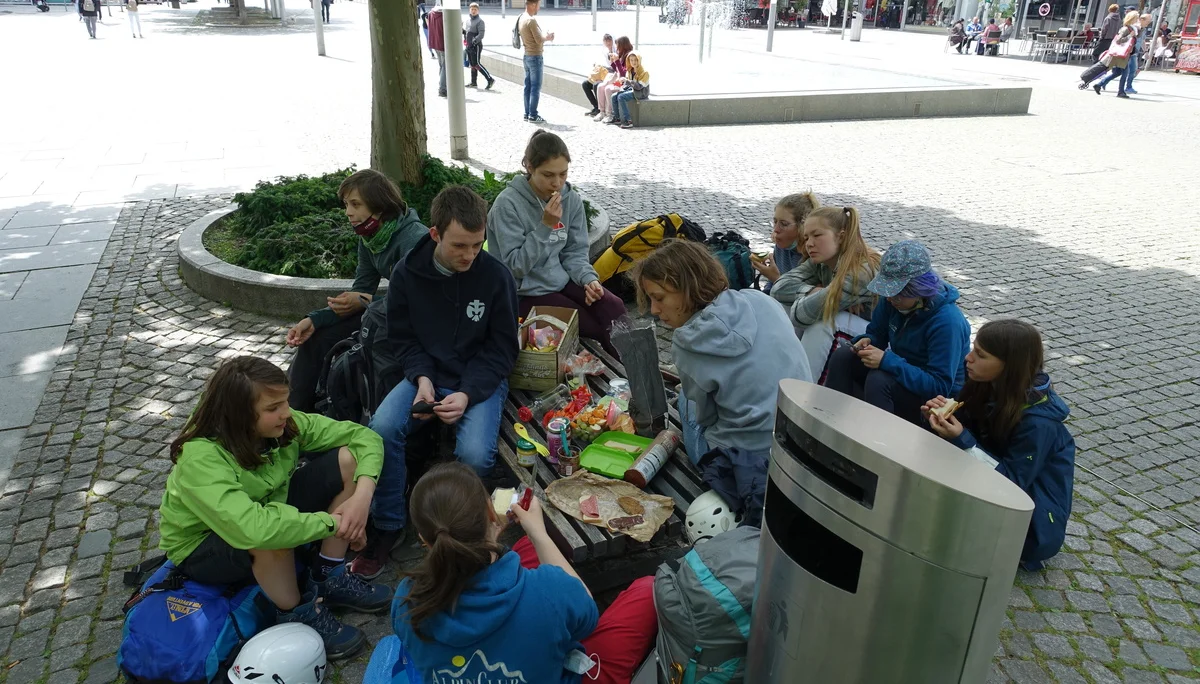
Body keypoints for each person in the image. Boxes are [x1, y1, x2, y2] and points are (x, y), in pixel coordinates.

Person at [158, 356, 392, 659]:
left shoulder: (282, 423)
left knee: (350, 459)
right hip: (203, 545)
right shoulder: (200, 457)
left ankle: (327, 575)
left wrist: (361, 499)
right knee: (270, 533)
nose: (286, 413)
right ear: (240, 415)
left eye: (285, 402)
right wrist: (338, 524)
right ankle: (295, 613)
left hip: (267, 511)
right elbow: (255, 527)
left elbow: (364, 437)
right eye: (273, 408)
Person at [358, 186, 519, 579]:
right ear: (435, 235)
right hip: (427, 376)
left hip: (477, 381)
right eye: (459, 246)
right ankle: (390, 523)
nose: (470, 255)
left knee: (477, 456)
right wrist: (423, 379)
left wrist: (466, 393)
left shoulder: (495, 276)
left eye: (477, 245)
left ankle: (465, 532)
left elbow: (502, 350)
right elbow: (403, 338)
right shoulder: (407, 274)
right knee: (380, 429)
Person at [392, 463, 658, 684]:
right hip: (556, 636)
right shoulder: (547, 591)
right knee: (649, 590)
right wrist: (538, 532)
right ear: (490, 511)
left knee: (527, 552)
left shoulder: (406, 598)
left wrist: (488, 537)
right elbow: (587, 611)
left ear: (425, 541)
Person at [632, 239, 810, 464]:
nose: (655, 310)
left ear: (689, 287)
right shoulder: (758, 298)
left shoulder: (688, 343)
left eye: (659, 298)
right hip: (798, 445)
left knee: (688, 399)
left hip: (738, 462)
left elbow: (705, 417)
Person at [923, 320, 1075, 571]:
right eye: (974, 349)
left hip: (1033, 530)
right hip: (987, 491)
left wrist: (962, 438)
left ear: (1009, 365)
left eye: (980, 355)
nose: (968, 358)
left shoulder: (1039, 424)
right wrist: (938, 417)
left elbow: (1011, 483)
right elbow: (971, 432)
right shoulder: (984, 383)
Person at [285, 170, 427, 413]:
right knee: (315, 338)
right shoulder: (370, 237)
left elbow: (420, 303)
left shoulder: (415, 239)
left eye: (355, 204)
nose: (348, 212)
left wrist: (365, 301)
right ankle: (293, 416)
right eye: (346, 204)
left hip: (415, 325)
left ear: (379, 208)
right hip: (384, 314)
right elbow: (359, 293)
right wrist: (314, 319)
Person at [488, 130, 627, 357]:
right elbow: (515, 266)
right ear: (529, 167)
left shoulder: (570, 199)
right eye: (548, 175)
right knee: (592, 326)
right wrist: (545, 226)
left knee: (614, 308)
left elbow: (575, 251)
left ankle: (638, 371)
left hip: (560, 280)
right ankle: (625, 377)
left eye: (563, 174)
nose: (557, 183)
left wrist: (588, 279)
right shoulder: (507, 204)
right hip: (524, 292)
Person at [824, 240, 970, 426]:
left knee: (880, 380)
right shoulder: (892, 301)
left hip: (935, 402)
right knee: (844, 356)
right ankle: (831, 421)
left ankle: (877, 442)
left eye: (898, 293)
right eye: (888, 291)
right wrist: (867, 341)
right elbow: (877, 334)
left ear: (919, 289)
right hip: (903, 373)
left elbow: (939, 385)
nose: (891, 298)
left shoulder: (947, 322)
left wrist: (887, 361)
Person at [771, 206, 880, 382]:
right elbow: (779, 288)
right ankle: (777, 377)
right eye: (806, 237)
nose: (809, 243)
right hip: (859, 329)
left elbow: (801, 315)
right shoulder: (821, 261)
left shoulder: (861, 270)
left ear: (841, 236)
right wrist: (819, 291)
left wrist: (822, 298)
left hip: (885, 341)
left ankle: (803, 389)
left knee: (824, 323)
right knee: (781, 306)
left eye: (817, 235)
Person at [751, 191, 822, 295]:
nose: (776, 229)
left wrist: (775, 278)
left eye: (784, 224)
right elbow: (771, 285)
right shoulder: (781, 246)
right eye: (775, 222)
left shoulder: (814, 254)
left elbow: (809, 296)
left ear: (802, 226)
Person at [519, 0, 555, 123]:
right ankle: (533, 115)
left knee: (527, 86)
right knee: (535, 87)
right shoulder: (531, 20)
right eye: (539, 5)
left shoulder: (521, 18)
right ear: (533, 5)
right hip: (535, 56)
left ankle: (527, 113)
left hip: (527, 55)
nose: (539, 8)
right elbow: (539, 40)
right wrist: (548, 37)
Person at [608, 37, 650, 129]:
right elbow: (625, 80)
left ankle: (628, 120)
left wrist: (626, 81)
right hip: (632, 90)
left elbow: (639, 87)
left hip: (641, 93)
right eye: (631, 60)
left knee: (621, 96)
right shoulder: (630, 70)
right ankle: (617, 118)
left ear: (639, 60)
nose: (633, 62)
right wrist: (616, 84)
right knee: (614, 96)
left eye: (635, 60)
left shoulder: (644, 72)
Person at [1088, 20, 1135, 97]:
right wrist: (1130, 36)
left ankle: (1099, 84)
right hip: (1121, 54)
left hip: (1122, 54)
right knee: (1125, 73)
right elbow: (1119, 40)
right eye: (1136, 19)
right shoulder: (1126, 29)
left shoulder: (1132, 29)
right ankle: (1121, 92)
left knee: (1118, 72)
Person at [581, 33, 618, 116]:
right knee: (585, 84)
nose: (608, 43)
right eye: (606, 41)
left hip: (610, 76)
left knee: (596, 85)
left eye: (609, 40)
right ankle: (595, 106)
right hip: (601, 73)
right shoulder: (604, 51)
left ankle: (601, 109)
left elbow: (616, 69)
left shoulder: (616, 52)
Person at [593, 38, 629, 122]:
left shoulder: (628, 56)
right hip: (618, 79)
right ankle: (602, 112)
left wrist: (617, 61)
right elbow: (617, 70)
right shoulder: (621, 55)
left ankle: (610, 114)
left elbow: (623, 74)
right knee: (600, 86)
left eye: (618, 46)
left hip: (624, 82)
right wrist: (613, 62)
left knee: (608, 88)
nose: (617, 49)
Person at [465, 3, 495, 90]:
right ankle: (473, 82)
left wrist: (474, 41)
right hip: (469, 46)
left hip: (476, 46)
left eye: (475, 9)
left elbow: (481, 34)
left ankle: (490, 79)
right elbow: (467, 33)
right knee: (472, 64)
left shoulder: (480, 21)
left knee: (476, 64)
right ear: (469, 10)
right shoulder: (467, 21)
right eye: (472, 9)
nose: (473, 11)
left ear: (478, 11)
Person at [428, 3, 447, 98]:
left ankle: (443, 86)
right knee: (445, 67)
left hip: (434, 44)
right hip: (443, 45)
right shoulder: (444, 15)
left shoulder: (431, 13)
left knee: (442, 66)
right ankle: (442, 89)